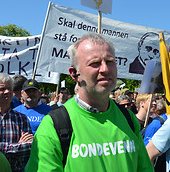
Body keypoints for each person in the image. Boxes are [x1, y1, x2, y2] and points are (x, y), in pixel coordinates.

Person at [25, 33, 153, 171]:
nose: (105, 69)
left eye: (110, 61)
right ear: (74, 74)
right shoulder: (53, 126)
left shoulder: (128, 119)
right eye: (95, 63)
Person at [0, 73, 33, 172]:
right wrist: (17, 146)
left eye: (10, 88)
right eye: (2, 89)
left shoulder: (21, 118)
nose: (8, 92)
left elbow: (29, 147)